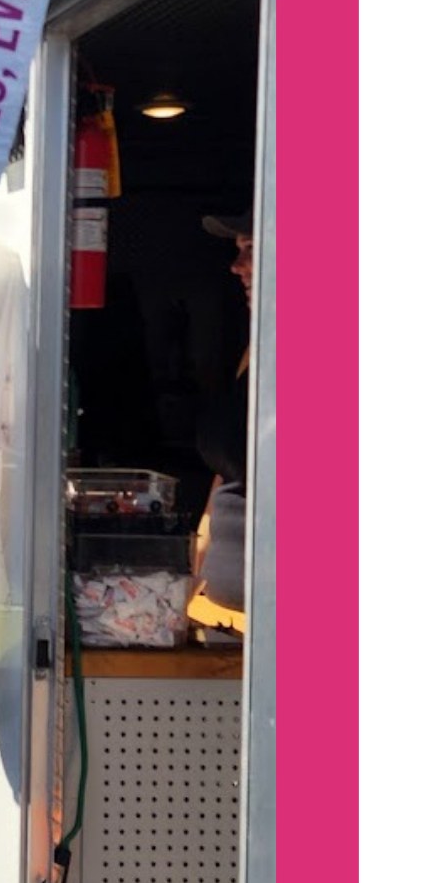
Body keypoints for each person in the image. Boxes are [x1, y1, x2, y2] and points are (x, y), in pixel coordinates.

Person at [187, 213, 253, 638]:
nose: (237, 265)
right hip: (226, 621)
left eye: (252, 249)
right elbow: (226, 477)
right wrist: (190, 586)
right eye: (238, 251)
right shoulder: (259, 348)